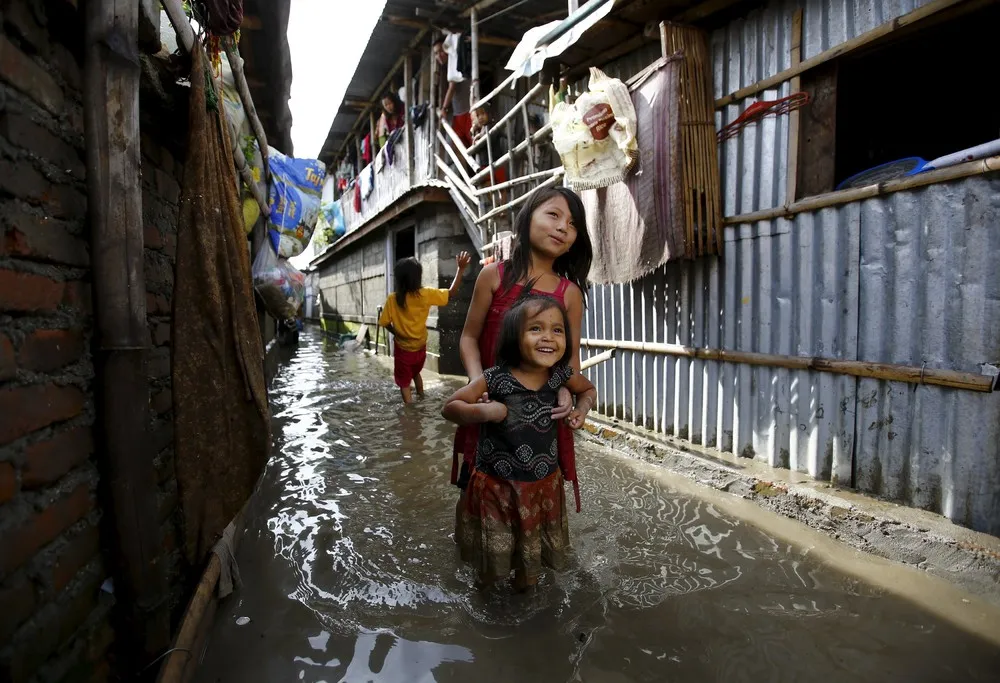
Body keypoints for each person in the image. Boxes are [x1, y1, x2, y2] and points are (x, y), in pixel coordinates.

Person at [451, 186, 594, 520]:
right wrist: (479, 385)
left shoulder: (569, 293)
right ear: (528, 217)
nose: (563, 228)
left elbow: (569, 362)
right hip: (488, 407)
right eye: (554, 215)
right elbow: (469, 338)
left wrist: (564, 390)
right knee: (474, 496)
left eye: (572, 224)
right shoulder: (493, 276)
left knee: (538, 501)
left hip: (540, 415)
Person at [442, 295, 597, 590]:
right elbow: (450, 407)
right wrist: (485, 411)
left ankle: (527, 604)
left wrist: (582, 409)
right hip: (497, 489)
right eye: (536, 329)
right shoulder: (495, 379)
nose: (548, 337)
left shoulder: (559, 376)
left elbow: (588, 390)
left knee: (531, 566)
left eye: (557, 330)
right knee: (490, 567)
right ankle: (487, 606)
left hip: (542, 489)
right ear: (514, 337)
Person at [378, 252, 472, 403]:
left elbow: (383, 323)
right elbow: (451, 292)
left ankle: (409, 412)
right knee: (416, 373)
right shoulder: (426, 294)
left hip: (403, 350)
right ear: (417, 277)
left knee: (404, 383)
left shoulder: (393, 299)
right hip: (420, 347)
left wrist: (397, 334)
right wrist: (460, 269)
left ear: (399, 279)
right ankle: (422, 397)